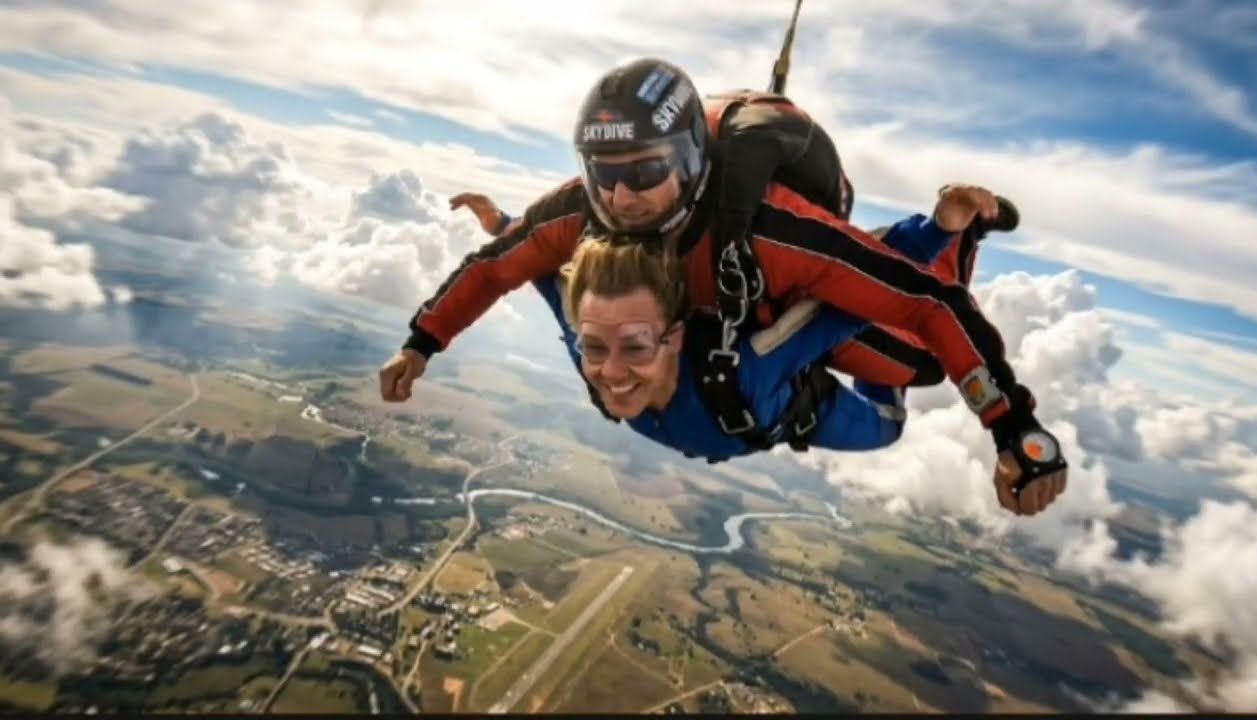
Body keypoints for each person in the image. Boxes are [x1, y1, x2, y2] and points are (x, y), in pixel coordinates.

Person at [382, 58, 1067, 517]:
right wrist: (424, 340)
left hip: (779, 335)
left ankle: (952, 227)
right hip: (737, 350)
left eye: (645, 172)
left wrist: (1012, 429)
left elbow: (922, 301)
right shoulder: (579, 222)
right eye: (604, 173)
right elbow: (508, 266)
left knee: (904, 366)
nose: (622, 198)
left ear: (688, 160)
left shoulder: (769, 230)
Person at [541, 237, 908, 462]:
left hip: (800, 411)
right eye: (594, 348)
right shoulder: (590, 346)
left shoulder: (743, 372)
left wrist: (940, 229)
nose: (612, 372)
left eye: (636, 348)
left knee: (888, 427)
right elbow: (540, 269)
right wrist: (500, 225)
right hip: (742, 420)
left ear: (676, 337)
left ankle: (886, 357)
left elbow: (846, 305)